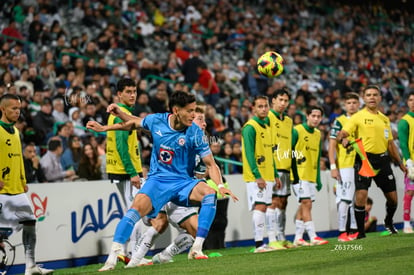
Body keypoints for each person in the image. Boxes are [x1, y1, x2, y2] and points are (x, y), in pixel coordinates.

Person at [87, 91, 237, 271]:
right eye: (189, 111)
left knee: (209, 194)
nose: (192, 115)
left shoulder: (195, 132)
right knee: (135, 210)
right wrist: (105, 128)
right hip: (158, 181)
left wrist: (220, 185)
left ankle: (196, 248)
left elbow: (210, 164)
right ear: (176, 110)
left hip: (183, 182)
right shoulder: (157, 120)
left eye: (194, 111)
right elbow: (133, 123)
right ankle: (112, 259)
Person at [338, 85, 407, 238]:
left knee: (393, 199)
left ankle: (388, 222)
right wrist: (343, 137)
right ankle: (361, 233)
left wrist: (400, 164)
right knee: (361, 196)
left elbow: (390, 144)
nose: (371, 97)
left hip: (383, 160)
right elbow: (344, 132)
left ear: (380, 98)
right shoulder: (357, 116)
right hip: (364, 160)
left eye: (375, 94)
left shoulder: (384, 119)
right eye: (368, 94)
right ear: (364, 98)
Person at [0, 94, 53, 275]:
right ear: (3, 109)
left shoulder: (16, 131)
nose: (17, 112)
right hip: (1, 190)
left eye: (19, 108)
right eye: (13, 108)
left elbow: (18, 158)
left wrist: (23, 180)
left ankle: (30, 266)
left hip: (16, 188)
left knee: (30, 222)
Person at [105, 78, 145, 260]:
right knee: (137, 212)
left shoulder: (124, 113)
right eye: (128, 91)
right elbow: (121, 147)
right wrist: (132, 173)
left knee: (132, 212)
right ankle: (134, 254)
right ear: (119, 94)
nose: (132, 95)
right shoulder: (119, 115)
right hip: (125, 172)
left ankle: (122, 250)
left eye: (134, 91)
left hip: (125, 171)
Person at [241, 95, 282, 253]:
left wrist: (276, 174)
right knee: (260, 206)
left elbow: (271, 153)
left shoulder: (268, 125)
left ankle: (263, 243)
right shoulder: (250, 127)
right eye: (260, 106)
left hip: (269, 175)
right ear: (253, 109)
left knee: (265, 207)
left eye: (265, 106)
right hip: (255, 177)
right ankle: (258, 244)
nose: (264, 109)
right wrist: (257, 175)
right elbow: (249, 154)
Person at [291, 106, 329, 246]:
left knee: (305, 205)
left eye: (318, 117)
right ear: (307, 116)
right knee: (307, 203)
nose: (316, 119)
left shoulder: (318, 133)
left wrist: (318, 178)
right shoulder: (297, 130)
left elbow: (318, 155)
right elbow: (289, 150)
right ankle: (313, 237)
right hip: (299, 174)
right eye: (313, 116)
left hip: (311, 175)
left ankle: (298, 238)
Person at [328, 92, 360, 242]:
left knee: (356, 199)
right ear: (345, 105)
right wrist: (333, 167)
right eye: (349, 103)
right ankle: (342, 232)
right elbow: (332, 145)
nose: (352, 105)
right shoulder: (339, 121)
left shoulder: (362, 119)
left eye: (354, 102)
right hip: (346, 165)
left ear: (359, 104)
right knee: (345, 198)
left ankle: (354, 230)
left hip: (361, 164)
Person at [267, 88, 295, 249]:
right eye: (280, 100)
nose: (283, 103)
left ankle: (281, 236)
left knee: (283, 202)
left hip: (286, 166)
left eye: (286, 100)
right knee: (273, 202)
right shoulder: (267, 118)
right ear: (273, 101)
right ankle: (272, 239)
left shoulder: (289, 121)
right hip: (272, 167)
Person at [397, 91, 414, 233]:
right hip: (412, 162)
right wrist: (408, 161)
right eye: (410, 99)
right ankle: (406, 224)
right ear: (407, 102)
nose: (413, 102)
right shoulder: (404, 121)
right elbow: (403, 144)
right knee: (410, 192)